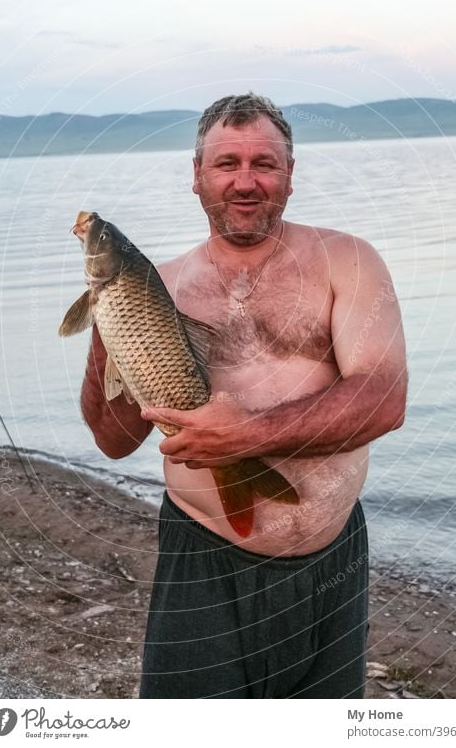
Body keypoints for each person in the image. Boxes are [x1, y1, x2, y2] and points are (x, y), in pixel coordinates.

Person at [81, 93, 407, 698]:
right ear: (197, 177)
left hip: (333, 560)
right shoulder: (162, 285)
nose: (246, 181)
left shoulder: (347, 261)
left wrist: (247, 436)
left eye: (265, 163)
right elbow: (114, 441)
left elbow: (383, 397)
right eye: (226, 164)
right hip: (203, 557)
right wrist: (112, 322)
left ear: (290, 174)